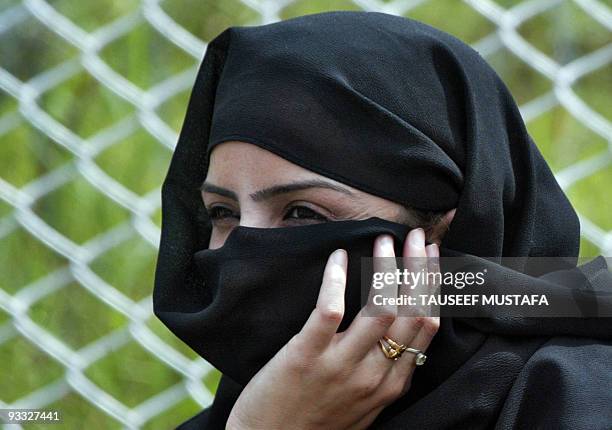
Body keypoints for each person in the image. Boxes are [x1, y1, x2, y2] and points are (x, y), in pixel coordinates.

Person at [153, 11, 612, 429]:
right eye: (223, 213)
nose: (241, 250)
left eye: (301, 213)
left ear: (444, 230)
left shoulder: (575, 400)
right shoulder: (247, 408)